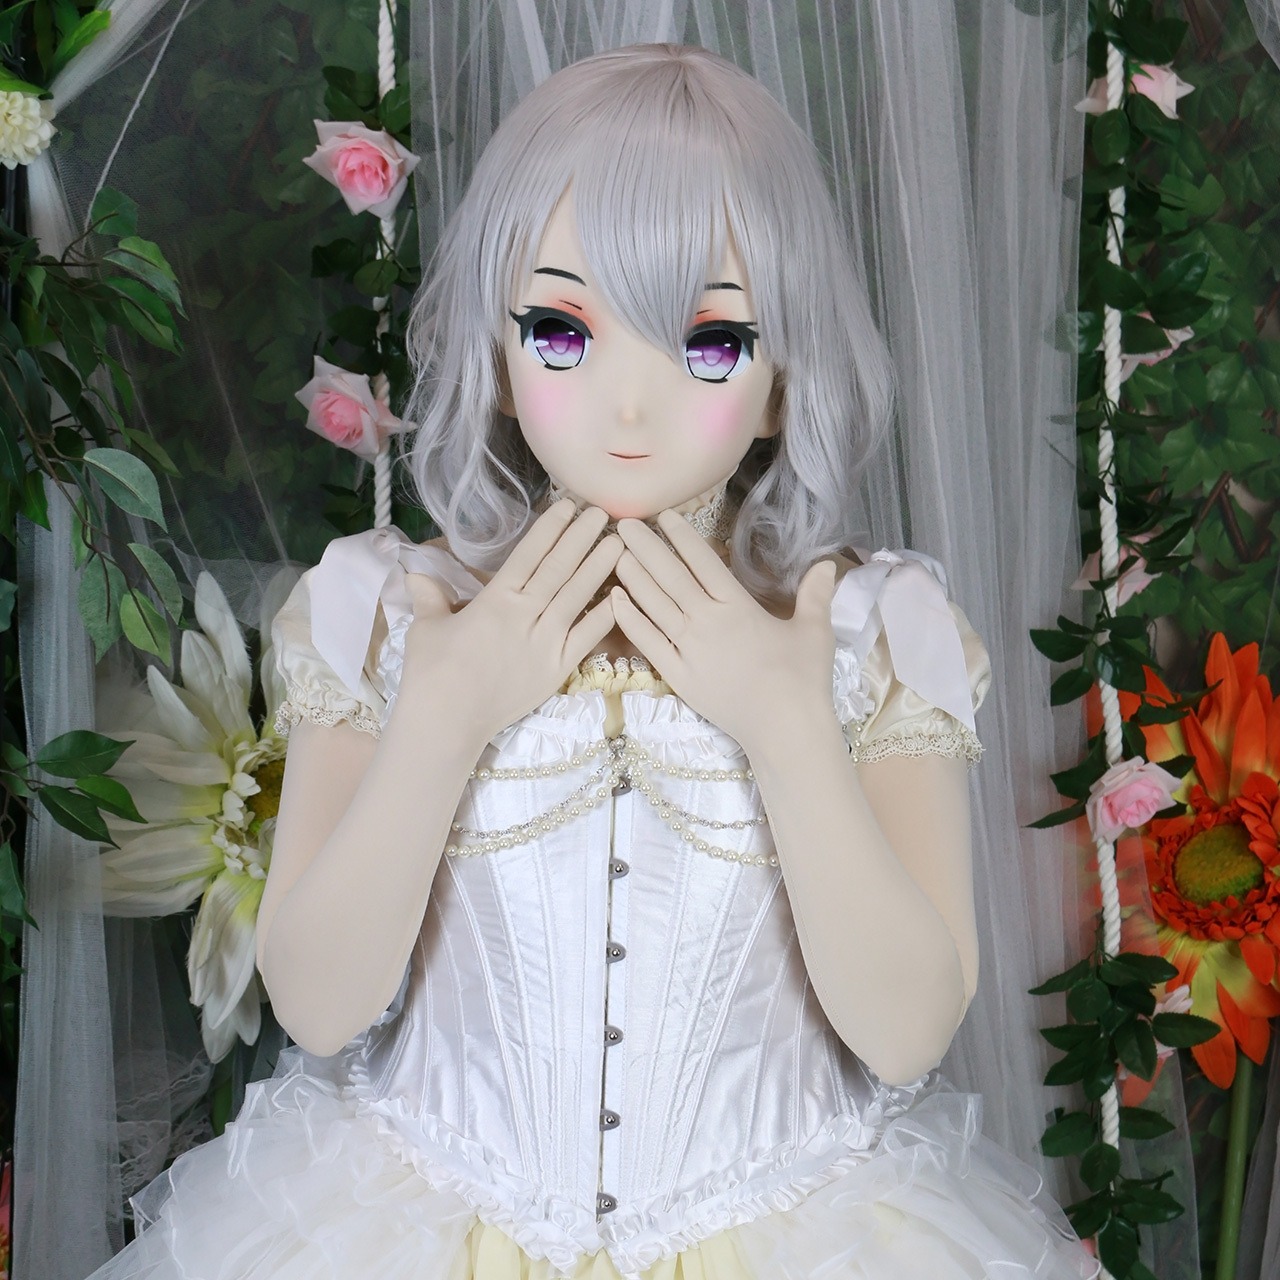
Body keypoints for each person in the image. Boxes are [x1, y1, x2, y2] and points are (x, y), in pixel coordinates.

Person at [86, 42, 1098, 1280]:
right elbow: (317, 1003)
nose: (628, 406)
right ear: (499, 355)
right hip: (408, 1218)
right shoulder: (381, 614)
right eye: (562, 329)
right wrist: (446, 710)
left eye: (709, 341)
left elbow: (906, 1031)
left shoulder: (870, 629)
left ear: (783, 380)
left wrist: (783, 722)